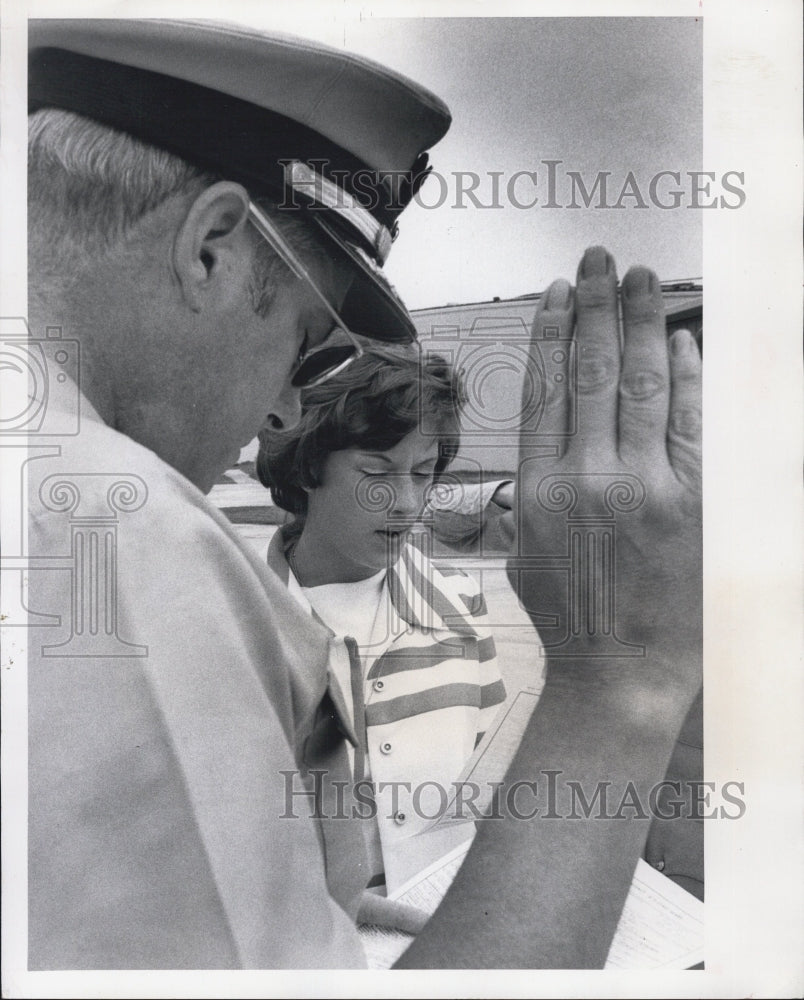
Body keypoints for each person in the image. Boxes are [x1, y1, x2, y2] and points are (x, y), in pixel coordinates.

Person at [22, 18, 702, 970]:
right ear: (211, 246)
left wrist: (302, 912)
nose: (287, 403)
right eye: (303, 342)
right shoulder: (117, 525)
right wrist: (620, 676)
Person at [257, 347, 508, 900]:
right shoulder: (240, 623)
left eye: (423, 473)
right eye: (376, 471)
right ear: (306, 468)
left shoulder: (461, 607)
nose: (406, 502)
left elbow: (475, 778)